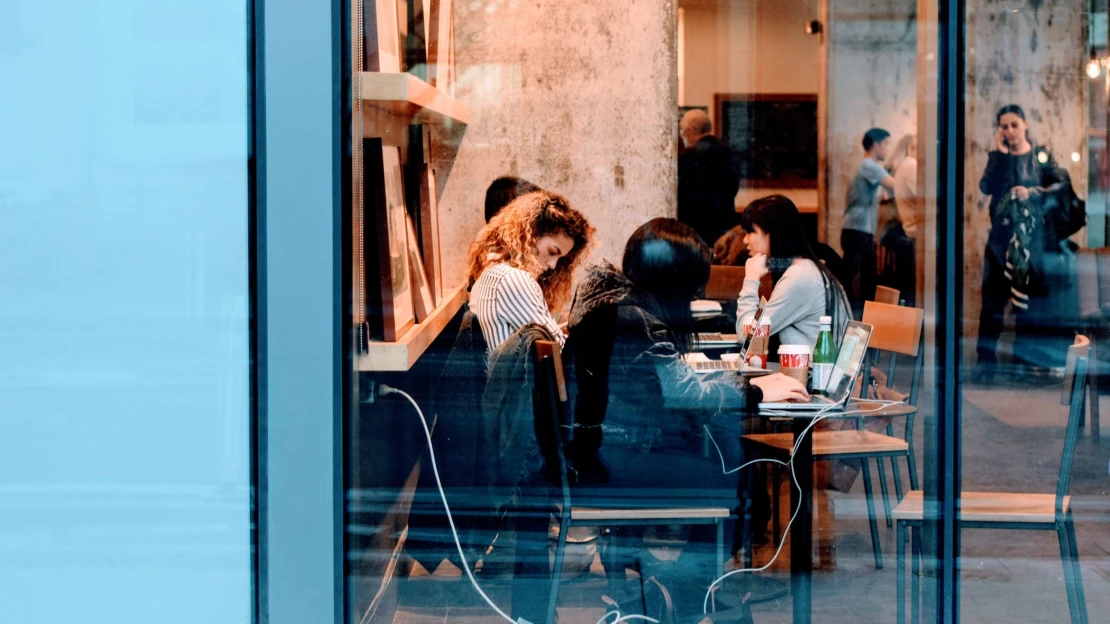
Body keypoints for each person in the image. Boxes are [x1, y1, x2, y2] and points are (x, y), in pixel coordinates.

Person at [976, 104, 1074, 375]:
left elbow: (1061, 186)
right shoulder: (999, 156)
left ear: (1025, 125)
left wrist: (1032, 192)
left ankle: (1024, 361)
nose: (1009, 131)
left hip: (1032, 242)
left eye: (1014, 125)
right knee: (993, 303)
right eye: (1004, 126)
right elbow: (986, 186)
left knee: (1028, 304)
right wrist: (1000, 155)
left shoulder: (1040, 156)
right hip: (1000, 242)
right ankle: (986, 364)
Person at [467, 190, 594, 352]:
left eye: (560, 258)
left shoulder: (494, 272)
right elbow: (556, 350)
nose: (553, 265)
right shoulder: (513, 280)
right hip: (518, 377)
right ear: (531, 235)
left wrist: (561, 328)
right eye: (552, 251)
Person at [735, 195, 852, 350]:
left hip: (812, 373)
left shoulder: (800, 277)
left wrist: (751, 279)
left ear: (772, 233)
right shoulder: (805, 268)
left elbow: (747, 337)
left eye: (750, 232)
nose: (745, 240)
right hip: (807, 369)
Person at [842, 128, 897, 318]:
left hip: (857, 229)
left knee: (863, 276)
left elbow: (876, 193)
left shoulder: (865, 166)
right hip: (858, 230)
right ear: (876, 145)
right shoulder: (869, 166)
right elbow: (896, 185)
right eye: (886, 144)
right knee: (859, 277)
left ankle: (859, 319)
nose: (888, 149)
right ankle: (855, 318)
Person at [677, 109, 743, 249]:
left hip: (698, 229)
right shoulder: (730, 153)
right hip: (724, 224)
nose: (684, 136)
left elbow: (686, 196)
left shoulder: (690, 157)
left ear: (692, 130)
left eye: (684, 132)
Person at [880, 134, 918, 305]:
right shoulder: (912, 167)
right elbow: (928, 199)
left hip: (908, 231)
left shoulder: (904, 166)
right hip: (914, 234)